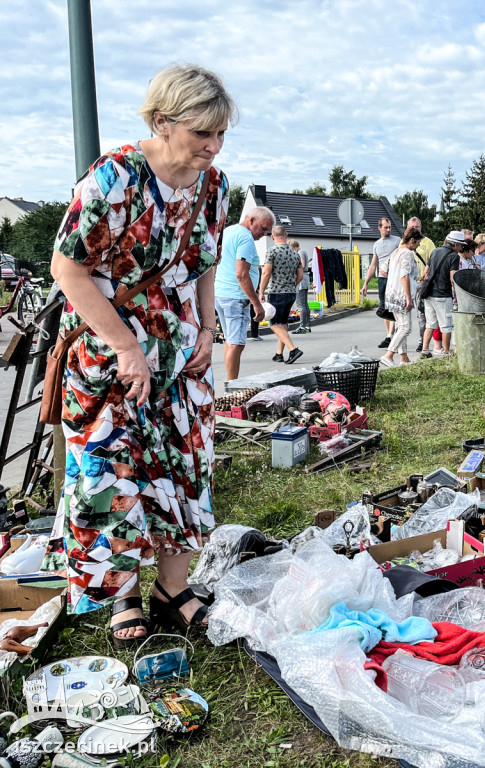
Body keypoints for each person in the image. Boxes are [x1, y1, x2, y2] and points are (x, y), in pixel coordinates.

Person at [45, 63, 234, 644]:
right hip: (110, 360)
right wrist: (125, 345)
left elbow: (203, 263)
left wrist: (207, 327)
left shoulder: (214, 185)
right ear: (161, 121)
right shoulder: (115, 178)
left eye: (221, 132)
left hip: (179, 357)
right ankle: (123, 596)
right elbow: (67, 268)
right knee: (115, 477)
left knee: (184, 468)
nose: (213, 144)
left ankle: (171, 587)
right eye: (202, 131)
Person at [215, 208, 274, 381]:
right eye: (263, 228)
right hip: (236, 297)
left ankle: (230, 382)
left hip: (222, 294)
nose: (264, 234)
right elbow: (241, 274)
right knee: (237, 344)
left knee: (230, 341)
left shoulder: (228, 231)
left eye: (267, 231)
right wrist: (256, 303)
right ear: (251, 220)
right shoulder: (245, 238)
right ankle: (232, 386)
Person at [258, 226, 303, 364]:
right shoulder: (295, 253)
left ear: (272, 237)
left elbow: (266, 273)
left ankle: (293, 349)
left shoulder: (272, 251)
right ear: (286, 235)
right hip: (291, 293)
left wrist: (261, 291)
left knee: (274, 324)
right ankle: (279, 354)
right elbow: (300, 275)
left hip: (276, 293)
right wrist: (291, 285)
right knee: (282, 323)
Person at [380, 227, 422, 368]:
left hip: (391, 294)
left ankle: (403, 357)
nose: (419, 245)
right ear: (411, 240)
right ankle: (389, 355)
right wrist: (409, 297)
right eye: (417, 242)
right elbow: (404, 275)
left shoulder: (395, 252)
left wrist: (394, 280)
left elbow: (383, 270)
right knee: (406, 327)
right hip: (401, 295)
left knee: (400, 326)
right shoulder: (407, 254)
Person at [419, 231, 465, 358]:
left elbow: (426, 271)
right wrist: (458, 293)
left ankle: (425, 350)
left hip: (429, 294)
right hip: (443, 295)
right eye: (461, 245)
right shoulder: (454, 256)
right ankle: (445, 351)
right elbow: (453, 277)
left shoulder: (435, 251)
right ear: (455, 244)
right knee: (446, 325)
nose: (461, 248)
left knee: (430, 324)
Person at [361, 217, 400, 348]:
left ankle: (390, 336)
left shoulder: (397, 241)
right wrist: (365, 283)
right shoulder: (376, 244)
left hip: (393, 277)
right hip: (382, 279)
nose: (388, 230)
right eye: (386, 227)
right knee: (384, 307)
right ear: (379, 228)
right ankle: (388, 335)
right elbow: (373, 265)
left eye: (390, 227)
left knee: (392, 306)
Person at [407, 217, 435, 352]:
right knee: (403, 314)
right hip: (407, 282)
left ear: (421, 227)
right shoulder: (403, 242)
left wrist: (427, 278)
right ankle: (401, 344)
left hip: (421, 283)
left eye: (416, 227)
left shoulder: (428, 243)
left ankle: (422, 341)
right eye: (412, 227)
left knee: (422, 314)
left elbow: (433, 262)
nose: (414, 229)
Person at [289, 239, 312, 334]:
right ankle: (307, 325)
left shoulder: (300, 252)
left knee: (301, 305)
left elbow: (301, 265)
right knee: (305, 304)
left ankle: (302, 326)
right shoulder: (304, 252)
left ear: (294, 247)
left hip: (301, 280)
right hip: (305, 279)